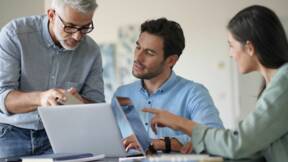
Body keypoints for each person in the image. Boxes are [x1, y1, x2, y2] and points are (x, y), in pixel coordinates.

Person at [143, 5, 288, 162]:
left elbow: (238, 143)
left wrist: (180, 123)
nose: (230, 54)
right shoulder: (275, 86)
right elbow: (256, 151)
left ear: (250, 47)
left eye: (231, 45)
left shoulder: (284, 84)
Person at [0, 0, 105, 158]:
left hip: (60, 136)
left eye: (85, 28)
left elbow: (97, 105)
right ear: (51, 15)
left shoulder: (91, 51)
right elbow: (2, 96)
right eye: (69, 27)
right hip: (10, 134)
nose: (77, 36)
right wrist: (41, 98)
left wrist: (79, 102)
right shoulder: (15, 34)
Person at [112, 18, 223, 153]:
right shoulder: (121, 94)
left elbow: (215, 139)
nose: (138, 58)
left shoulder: (194, 93)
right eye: (138, 47)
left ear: (171, 60)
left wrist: (158, 143)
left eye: (149, 53)